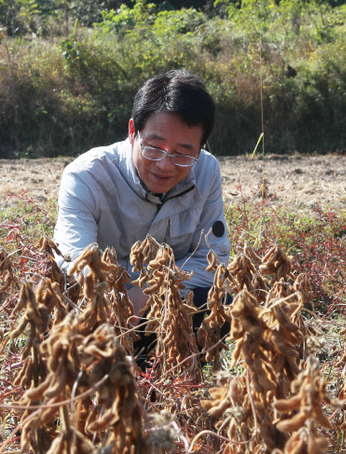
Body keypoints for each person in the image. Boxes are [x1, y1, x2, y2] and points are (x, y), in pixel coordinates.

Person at [53, 69, 230, 354]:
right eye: (154, 147)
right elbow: (74, 258)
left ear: (200, 148)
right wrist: (119, 301)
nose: (165, 164)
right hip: (99, 312)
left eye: (183, 153)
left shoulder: (207, 170)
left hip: (163, 308)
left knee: (219, 304)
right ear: (132, 131)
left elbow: (212, 260)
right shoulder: (86, 175)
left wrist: (148, 292)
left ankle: (172, 383)